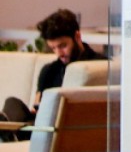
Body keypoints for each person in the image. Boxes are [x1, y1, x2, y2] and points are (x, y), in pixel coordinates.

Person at [1, 9, 102, 140]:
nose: (59, 53)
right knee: (12, 103)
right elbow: (37, 106)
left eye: (63, 46)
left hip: (66, 128)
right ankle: (12, 134)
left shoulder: (98, 67)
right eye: (53, 48)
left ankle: (11, 135)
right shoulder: (49, 71)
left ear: (77, 37)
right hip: (42, 125)